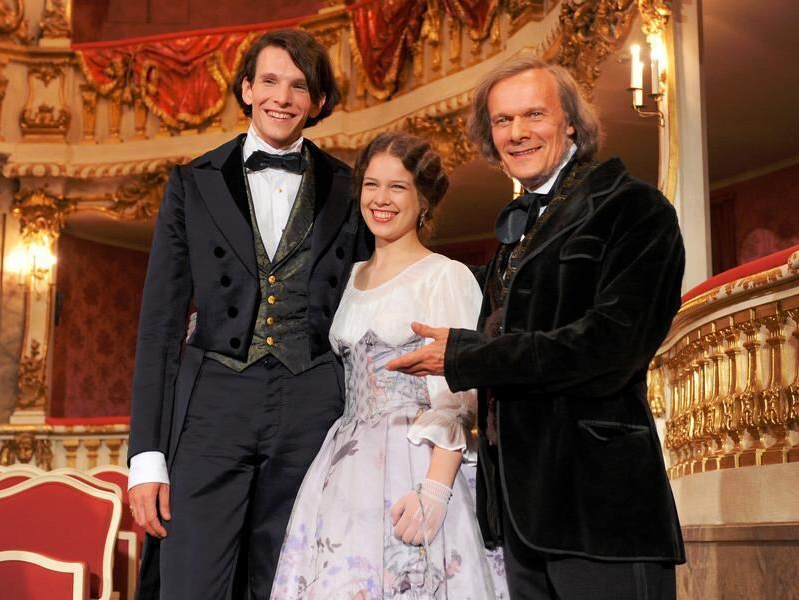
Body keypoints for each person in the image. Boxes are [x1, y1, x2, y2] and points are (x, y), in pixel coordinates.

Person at [387, 56, 686, 599]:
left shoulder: (633, 207)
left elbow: (610, 349)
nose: (517, 132)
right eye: (503, 120)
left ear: (570, 122)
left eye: (534, 115)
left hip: (600, 509)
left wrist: (468, 357)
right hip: (520, 515)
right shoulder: (517, 234)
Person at [127, 29, 370, 599]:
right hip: (212, 404)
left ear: (318, 101)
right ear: (246, 89)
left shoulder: (350, 188)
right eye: (270, 81)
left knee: (295, 583)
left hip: (313, 404)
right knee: (191, 582)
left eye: (299, 86)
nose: (282, 98)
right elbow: (160, 328)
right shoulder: (192, 183)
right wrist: (147, 456)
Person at [269, 131, 508, 599]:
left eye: (398, 187)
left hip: (414, 461)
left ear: (424, 200)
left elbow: (458, 399)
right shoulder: (347, 278)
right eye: (371, 185)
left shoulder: (444, 276)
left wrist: (435, 491)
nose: (381, 199)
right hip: (343, 467)